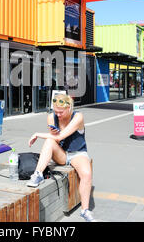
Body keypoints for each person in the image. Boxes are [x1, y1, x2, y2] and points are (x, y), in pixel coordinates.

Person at [27, 93, 95, 222]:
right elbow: (54, 140)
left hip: (78, 153)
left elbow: (59, 136)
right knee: (49, 142)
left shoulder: (78, 117)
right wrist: (50, 134)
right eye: (55, 111)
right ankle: (38, 174)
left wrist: (37, 134)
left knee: (86, 174)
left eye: (61, 112)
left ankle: (85, 211)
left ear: (69, 108)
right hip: (62, 154)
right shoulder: (51, 117)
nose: (58, 115)